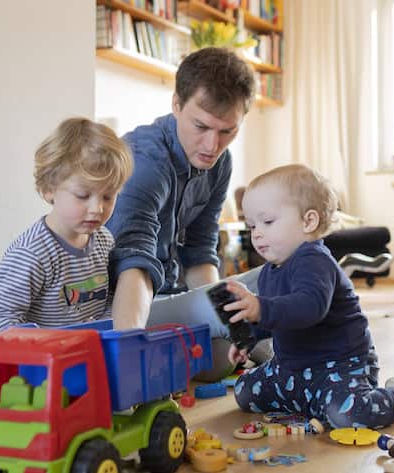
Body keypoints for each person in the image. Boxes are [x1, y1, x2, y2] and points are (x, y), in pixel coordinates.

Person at [222, 164, 394, 428]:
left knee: (347, 416)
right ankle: (309, 401)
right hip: (292, 369)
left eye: (267, 222)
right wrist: (250, 336)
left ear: (308, 221)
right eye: (251, 225)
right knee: (244, 392)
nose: (257, 233)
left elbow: (307, 308)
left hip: (339, 367)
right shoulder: (269, 272)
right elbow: (279, 317)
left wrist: (261, 308)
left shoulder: (315, 261)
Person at [104, 47, 270, 380]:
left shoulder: (219, 162)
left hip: (170, 299)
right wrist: (128, 357)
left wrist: (225, 321)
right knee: (272, 281)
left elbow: (199, 249)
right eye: (201, 126)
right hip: (119, 310)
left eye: (227, 132)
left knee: (226, 350)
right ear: (176, 104)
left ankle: (279, 362)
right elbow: (133, 263)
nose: (212, 145)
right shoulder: (145, 163)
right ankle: (288, 364)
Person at [0, 117, 133, 411]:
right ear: (50, 189)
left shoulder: (104, 242)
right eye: (83, 195)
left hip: (84, 364)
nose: (97, 208)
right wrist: (38, 349)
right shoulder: (31, 252)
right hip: (38, 370)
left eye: (108, 196)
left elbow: (114, 301)